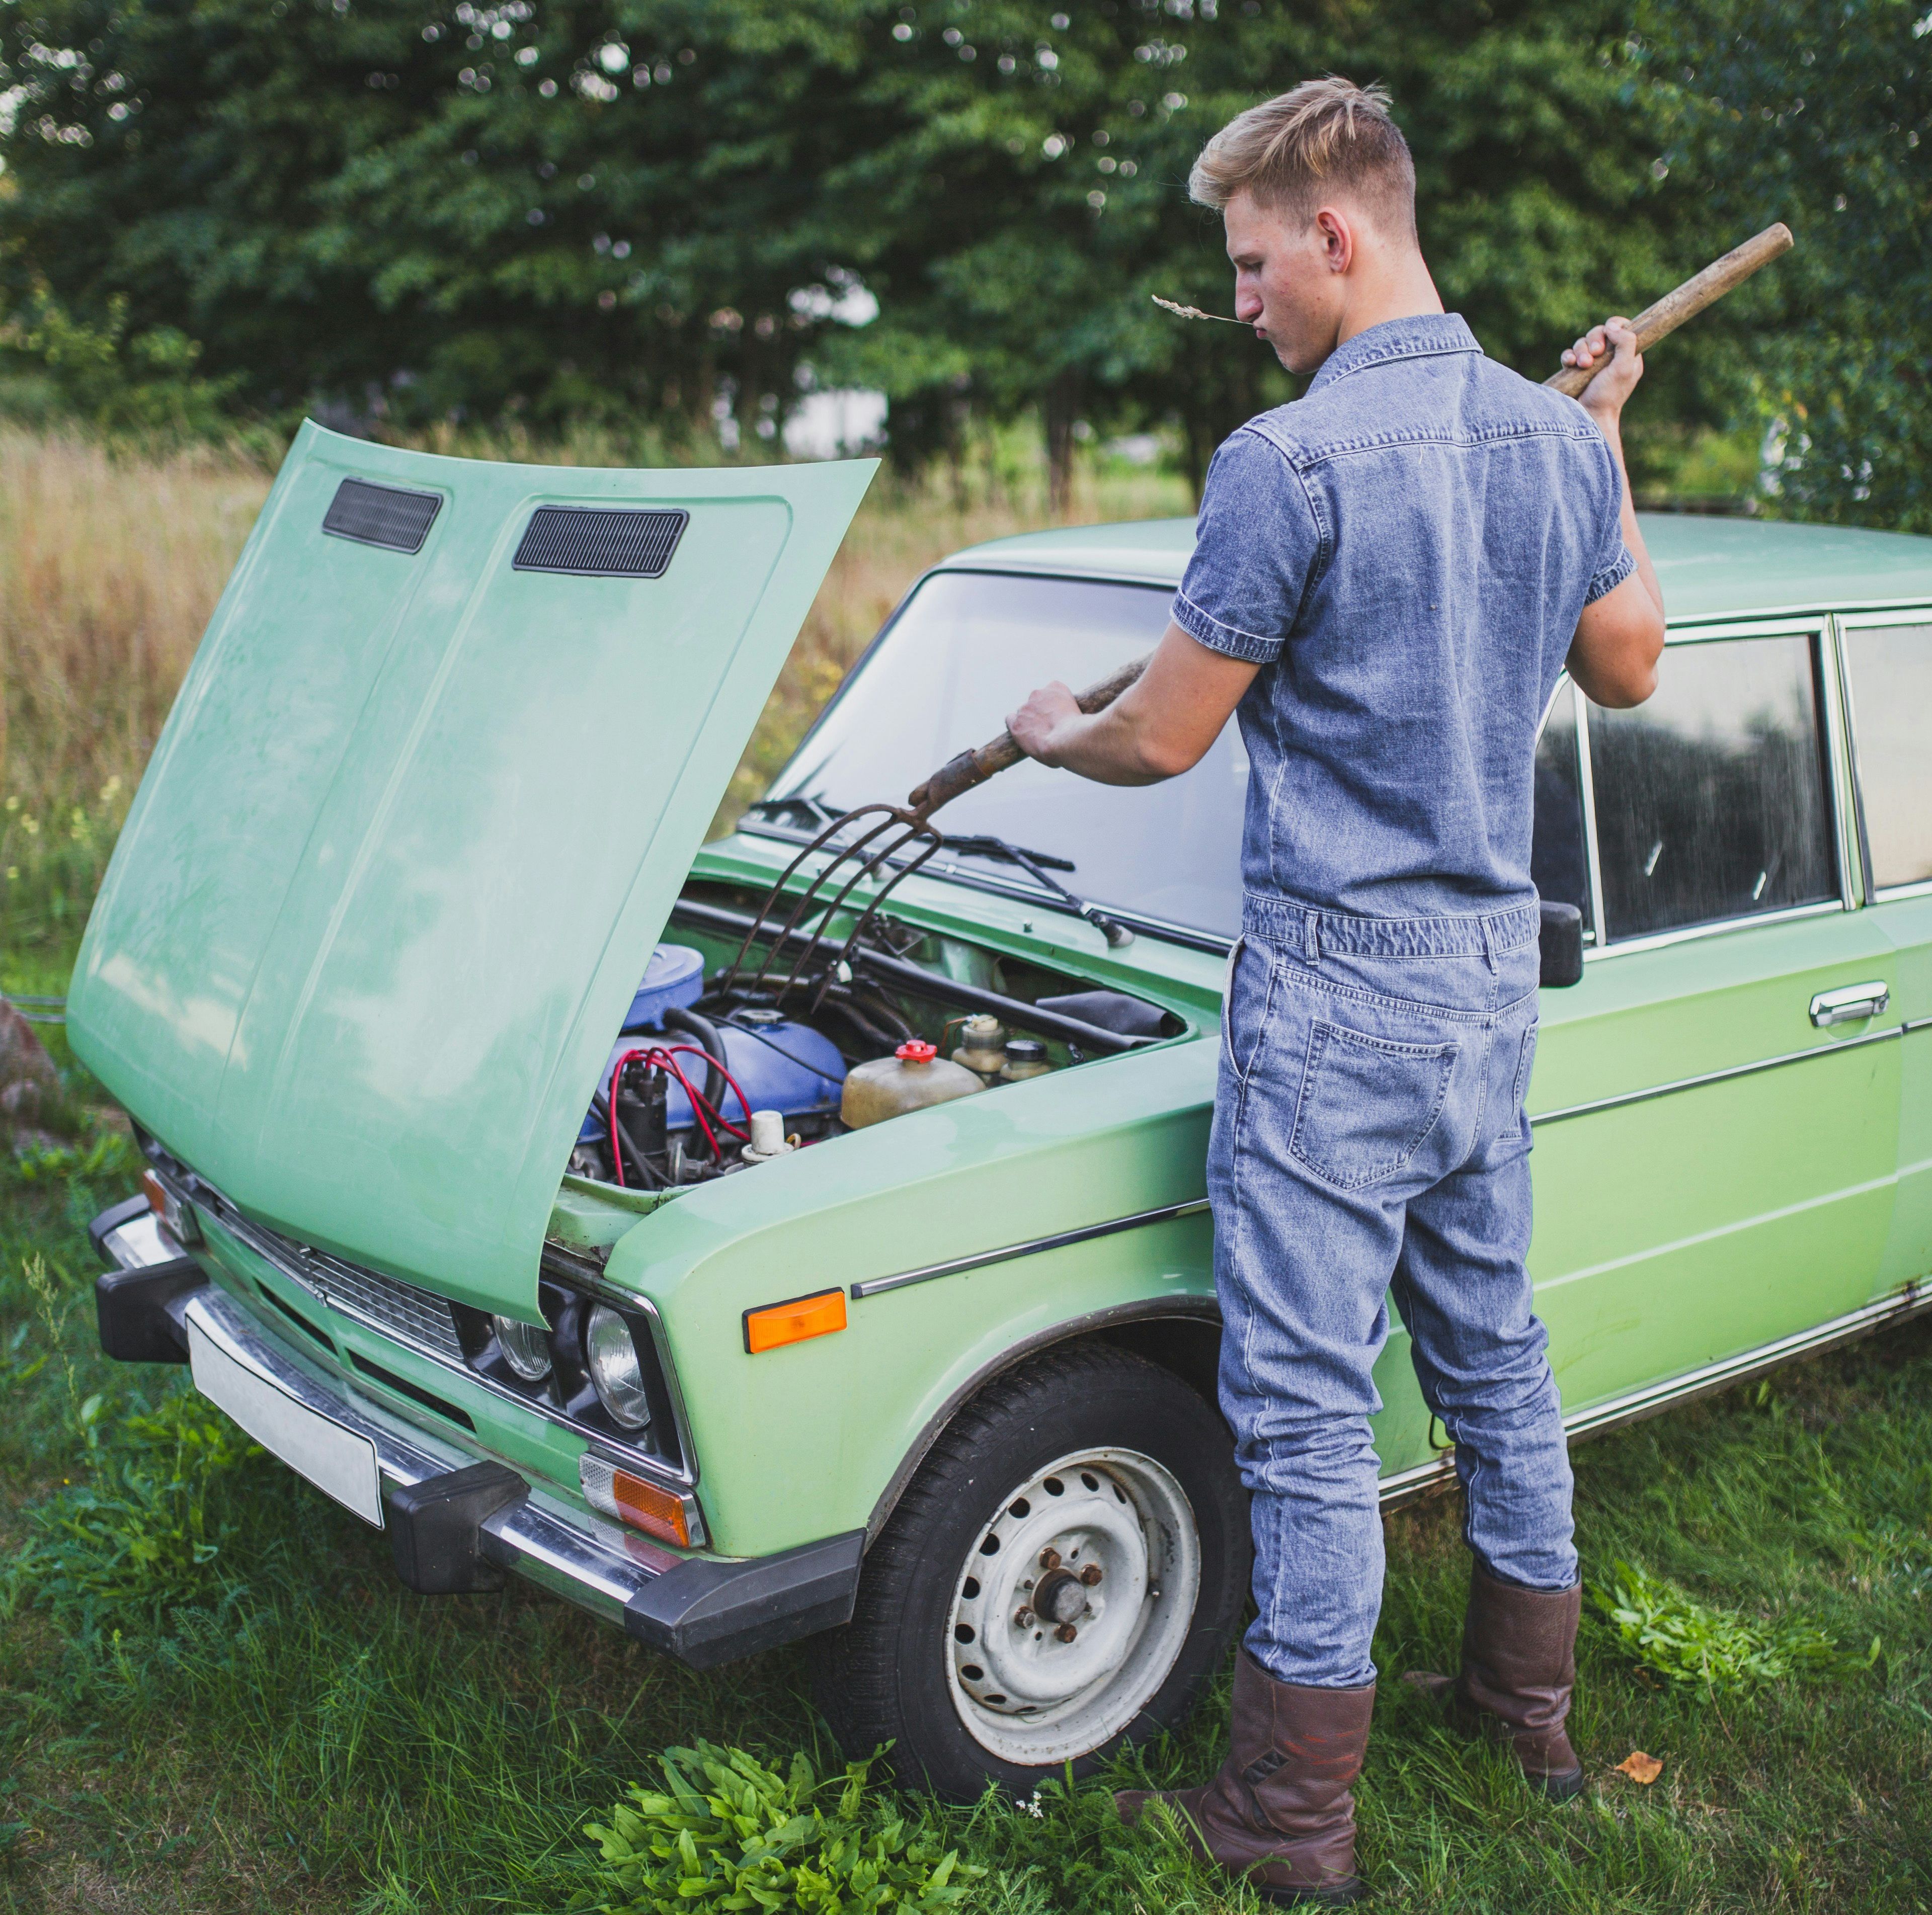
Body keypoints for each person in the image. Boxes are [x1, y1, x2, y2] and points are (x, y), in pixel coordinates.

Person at [1003, 76, 1666, 1907]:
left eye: (1245, 263)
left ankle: (1289, 1822)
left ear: (1336, 232)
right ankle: (1526, 1718)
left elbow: (1167, 730)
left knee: (1300, 1412)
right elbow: (1631, 665)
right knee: (1498, 1362)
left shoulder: (1282, 465)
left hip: (1332, 1008)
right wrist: (1604, 438)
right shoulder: (1550, 444)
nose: (1239, 302)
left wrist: (1061, 732)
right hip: (1483, 992)